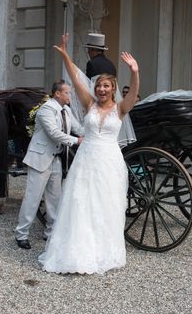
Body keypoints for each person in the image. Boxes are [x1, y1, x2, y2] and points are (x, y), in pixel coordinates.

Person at [37, 34, 139, 274]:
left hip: (110, 163)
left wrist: (135, 72)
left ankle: (104, 252)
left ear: (113, 89)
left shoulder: (121, 108)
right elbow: (75, 78)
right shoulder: (88, 104)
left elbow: (133, 94)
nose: (102, 89)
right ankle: (77, 251)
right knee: (81, 203)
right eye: (99, 86)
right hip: (86, 161)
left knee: (107, 205)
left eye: (106, 86)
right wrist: (64, 56)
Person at [14, 80, 83, 249]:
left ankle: (50, 233)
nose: (70, 96)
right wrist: (77, 141)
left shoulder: (66, 110)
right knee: (32, 199)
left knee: (54, 199)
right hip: (40, 159)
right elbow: (54, 133)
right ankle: (21, 234)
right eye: (67, 93)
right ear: (57, 93)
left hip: (57, 159)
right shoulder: (46, 110)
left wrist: (93, 134)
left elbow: (78, 128)